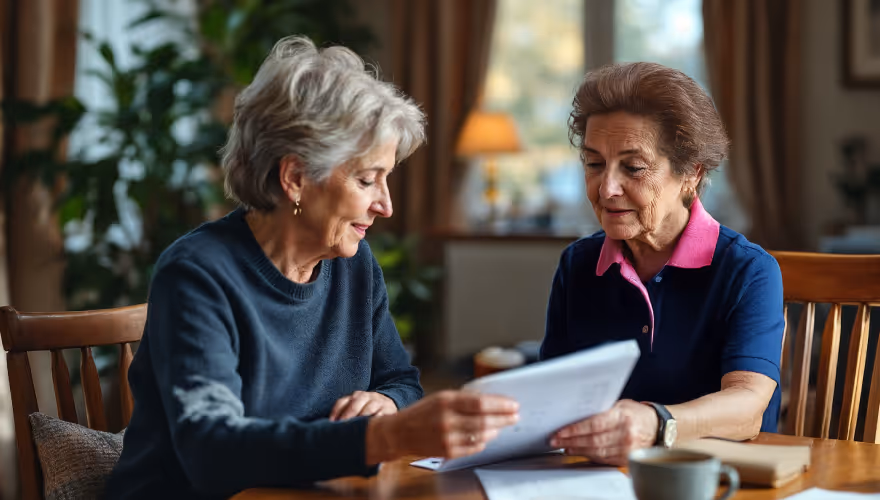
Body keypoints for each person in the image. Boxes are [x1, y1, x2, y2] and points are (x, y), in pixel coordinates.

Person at [106, 36, 519, 499]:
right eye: (367, 179)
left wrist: (385, 402)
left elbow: (402, 381)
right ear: (296, 178)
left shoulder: (353, 263)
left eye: (386, 178)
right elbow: (212, 451)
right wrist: (385, 437)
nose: (385, 205)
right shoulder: (197, 275)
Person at [540, 62, 784, 466]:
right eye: (594, 164)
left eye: (633, 168)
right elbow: (550, 396)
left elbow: (747, 409)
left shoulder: (748, 271)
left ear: (691, 173)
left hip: (718, 484)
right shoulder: (577, 264)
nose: (607, 188)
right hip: (600, 480)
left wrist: (656, 422)